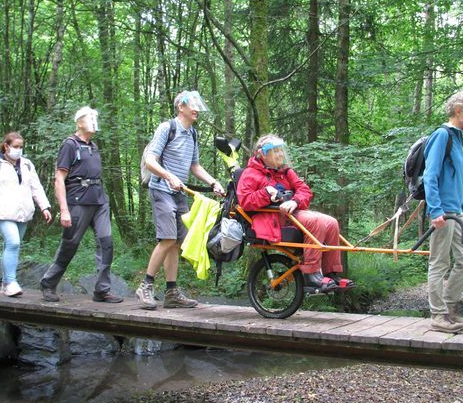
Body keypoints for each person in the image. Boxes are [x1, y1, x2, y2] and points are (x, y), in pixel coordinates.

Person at [136, 90, 225, 310]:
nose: (196, 109)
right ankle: (145, 286)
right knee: (167, 239)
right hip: (161, 190)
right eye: (192, 105)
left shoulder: (192, 134)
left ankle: (172, 292)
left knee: (176, 243)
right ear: (180, 107)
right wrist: (169, 176)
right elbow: (150, 161)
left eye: (198, 105)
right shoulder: (167, 128)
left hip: (179, 194)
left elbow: (195, 166)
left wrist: (214, 183)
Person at [236, 134, 355, 291]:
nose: (281, 154)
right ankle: (311, 275)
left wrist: (295, 201)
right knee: (314, 221)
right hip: (270, 219)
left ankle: (330, 273)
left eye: (281, 150)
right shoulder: (251, 174)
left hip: (290, 215)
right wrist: (266, 192)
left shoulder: (285, 172)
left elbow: (304, 190)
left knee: (331, 222)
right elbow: (245, 201)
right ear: (262, 154)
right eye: (276, 151)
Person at [39, 107, 123, 303]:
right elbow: (59, 179)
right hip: (78, 200)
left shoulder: (93, 146)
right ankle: (49, 284)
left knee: (106, 243)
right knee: (70, 245)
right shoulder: (69, 145)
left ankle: (102, 290)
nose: (95, 121)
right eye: (90, 118)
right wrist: (64, 210)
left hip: (99, 200)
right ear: (79, 123)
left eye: (96, 117)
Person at [423, 90, 463, 333]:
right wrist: (435, 210)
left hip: (456, 211)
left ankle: (448, 309)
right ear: (459, 111)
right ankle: (438, 316)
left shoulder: (459, 138)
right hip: (442, 213)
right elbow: (430, 175)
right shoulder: (441, 135)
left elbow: (459, 179)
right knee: (439, 262)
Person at [0, 132, 53, 297]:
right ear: (6, 146)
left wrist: (45, 207)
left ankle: (6, 284)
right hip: (2, 212)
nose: (18, 150)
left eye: (21, 147)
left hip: (23, 213)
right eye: (15, 146)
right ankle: (11, 282)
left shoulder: (27, 164)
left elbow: (36, 187)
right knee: (13, 243)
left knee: (11, 246)